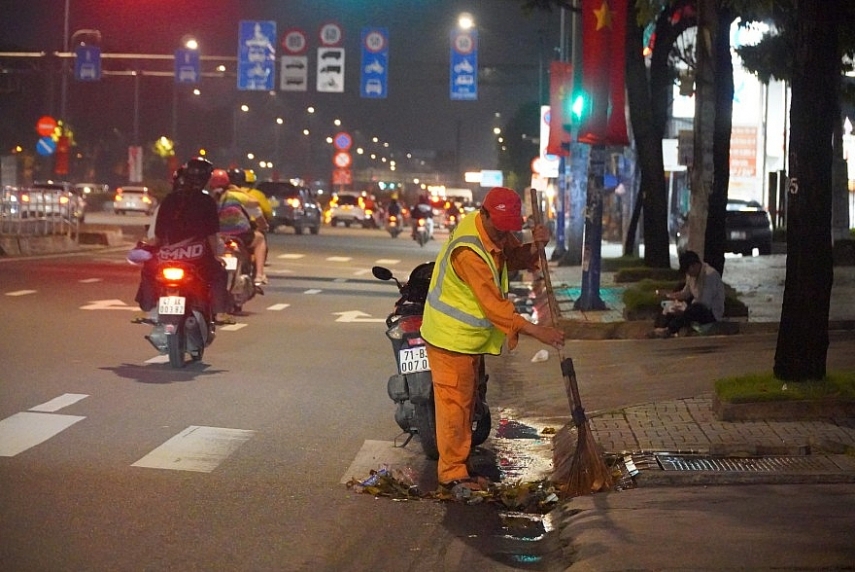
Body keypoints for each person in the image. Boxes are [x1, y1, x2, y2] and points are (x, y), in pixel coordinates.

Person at [420, 186, 565, 494]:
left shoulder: (491, 231)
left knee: (466, 404)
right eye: (500, 230)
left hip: (468, 339)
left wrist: (535, 246)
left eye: (509, 230)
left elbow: (512, 257)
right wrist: (538, 331)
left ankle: (460, 461)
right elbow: (495, 308)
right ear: (484, 214)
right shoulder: (469, 252)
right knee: (455, 407)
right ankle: (452, 474)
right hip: (450, 338)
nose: (504, 237)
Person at [134, 157, 230, 323]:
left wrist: (149, 248)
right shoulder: (207, 202)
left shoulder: (169, 200)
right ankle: (219, 312)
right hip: (197, 258)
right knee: (219, 271)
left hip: (166, 258)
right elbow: (212, 236)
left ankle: (148, 309)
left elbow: (157, 236)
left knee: (148, 269)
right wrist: (217, 255)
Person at [652, 250, 725, 338]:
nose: (688, 274)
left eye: (688, 270)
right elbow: (686, 293)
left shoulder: (710, 275)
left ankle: (669, 330)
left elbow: (705, 303)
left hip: (710, 312)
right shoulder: (691, 276)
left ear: (694, 266)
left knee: (694, 309)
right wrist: (669, 296)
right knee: (669, 305)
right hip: (696, 304)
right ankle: (659, 328)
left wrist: (684, 309)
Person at [225, 168, 268, 285]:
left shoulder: (216, 196)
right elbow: (258, 211)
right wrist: (263, 227)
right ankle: (259, 274)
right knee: (260, 239)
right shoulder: (243, 197)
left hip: (219, 235)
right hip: (240, 235)